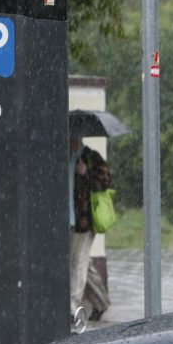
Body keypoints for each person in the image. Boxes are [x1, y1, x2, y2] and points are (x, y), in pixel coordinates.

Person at [69, 137, 112, 323]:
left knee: (77, 264)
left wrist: (85, 173)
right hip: (67, 220)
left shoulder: (90, 156)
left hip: (84, 222)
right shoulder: (60, 157)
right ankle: (101, 303)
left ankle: (72, 309)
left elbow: (106, 181)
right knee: (84, 265)